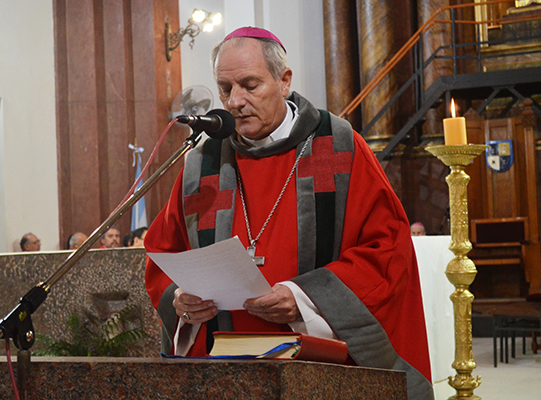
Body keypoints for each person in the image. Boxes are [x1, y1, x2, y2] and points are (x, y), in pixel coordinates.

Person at [144, 27, 433, 399]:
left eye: (250, 85)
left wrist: (302, 297)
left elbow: (388, 247)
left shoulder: (338, 145)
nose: (235, 102)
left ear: (284, 81)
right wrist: (180, 298)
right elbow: (163, 256)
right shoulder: (203, 162)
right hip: (224, 366)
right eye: (226, 88)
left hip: (319, 364)